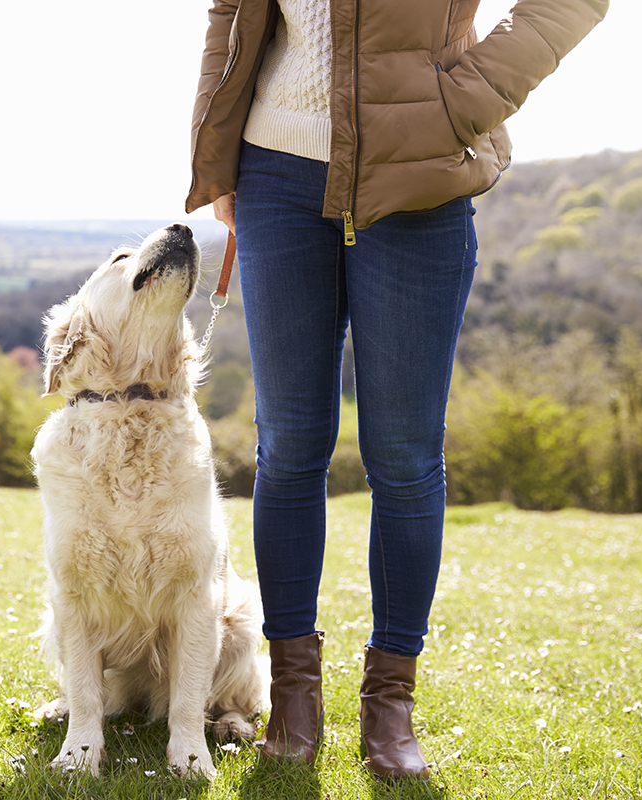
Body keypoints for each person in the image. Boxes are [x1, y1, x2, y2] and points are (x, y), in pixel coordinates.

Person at [187, 0, 608, 781]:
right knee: (288, 446)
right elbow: (233, 13)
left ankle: (390, 704)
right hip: (277, 174)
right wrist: (216, 154)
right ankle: (294, 694)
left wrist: (462, 102)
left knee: (406, 458)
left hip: (419, 171)